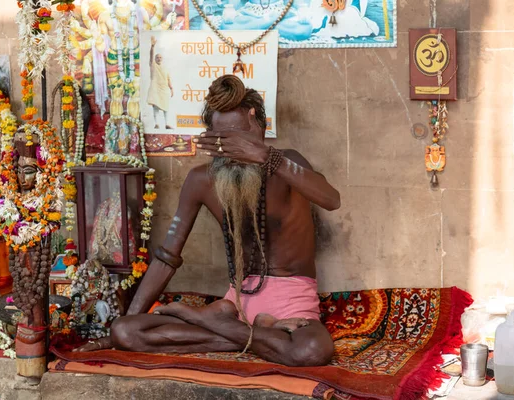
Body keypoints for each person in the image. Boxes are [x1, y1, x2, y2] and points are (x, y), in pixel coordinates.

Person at [78, 75, 341, 367]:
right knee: (126, 332)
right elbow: (167, 257)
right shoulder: (201, 179)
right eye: (222, 141)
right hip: (237, 303)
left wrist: (267, 157)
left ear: (261, 130)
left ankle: (214, 322)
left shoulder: (287, 164)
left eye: (240, 140)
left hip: (292, 304)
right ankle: (257, 335)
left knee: (312, 351)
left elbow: (332, 199)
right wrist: (121, 330)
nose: (232, 151)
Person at [146, 36, 174, 130]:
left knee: (166, 107)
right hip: (155, 88)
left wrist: (171, 88)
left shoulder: (165, 67)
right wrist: (152, 47)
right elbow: (151, 55)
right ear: (155, 59)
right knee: (155, 106)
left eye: (160, 57)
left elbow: (168, 78)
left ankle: (167, 124)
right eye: (157, 57)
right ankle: (157, 123)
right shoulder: (153, 65)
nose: (159, 58)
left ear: (162, 58)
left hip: (164, 89)